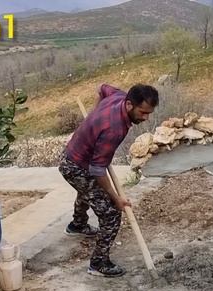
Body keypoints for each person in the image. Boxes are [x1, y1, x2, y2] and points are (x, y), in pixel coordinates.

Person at [59, 83, 158, 277]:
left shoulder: (119, 96)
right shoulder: (114, 129)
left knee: (88, 190)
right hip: (75, 167)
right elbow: (98, 170)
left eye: (149, 113)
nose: (146, 118)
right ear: (129, 104)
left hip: (75, 156)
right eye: (143, 112)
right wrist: (115, 197)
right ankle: (98, 263)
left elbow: (103, 88)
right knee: (111, 214)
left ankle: (77, 225)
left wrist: (96, 115)